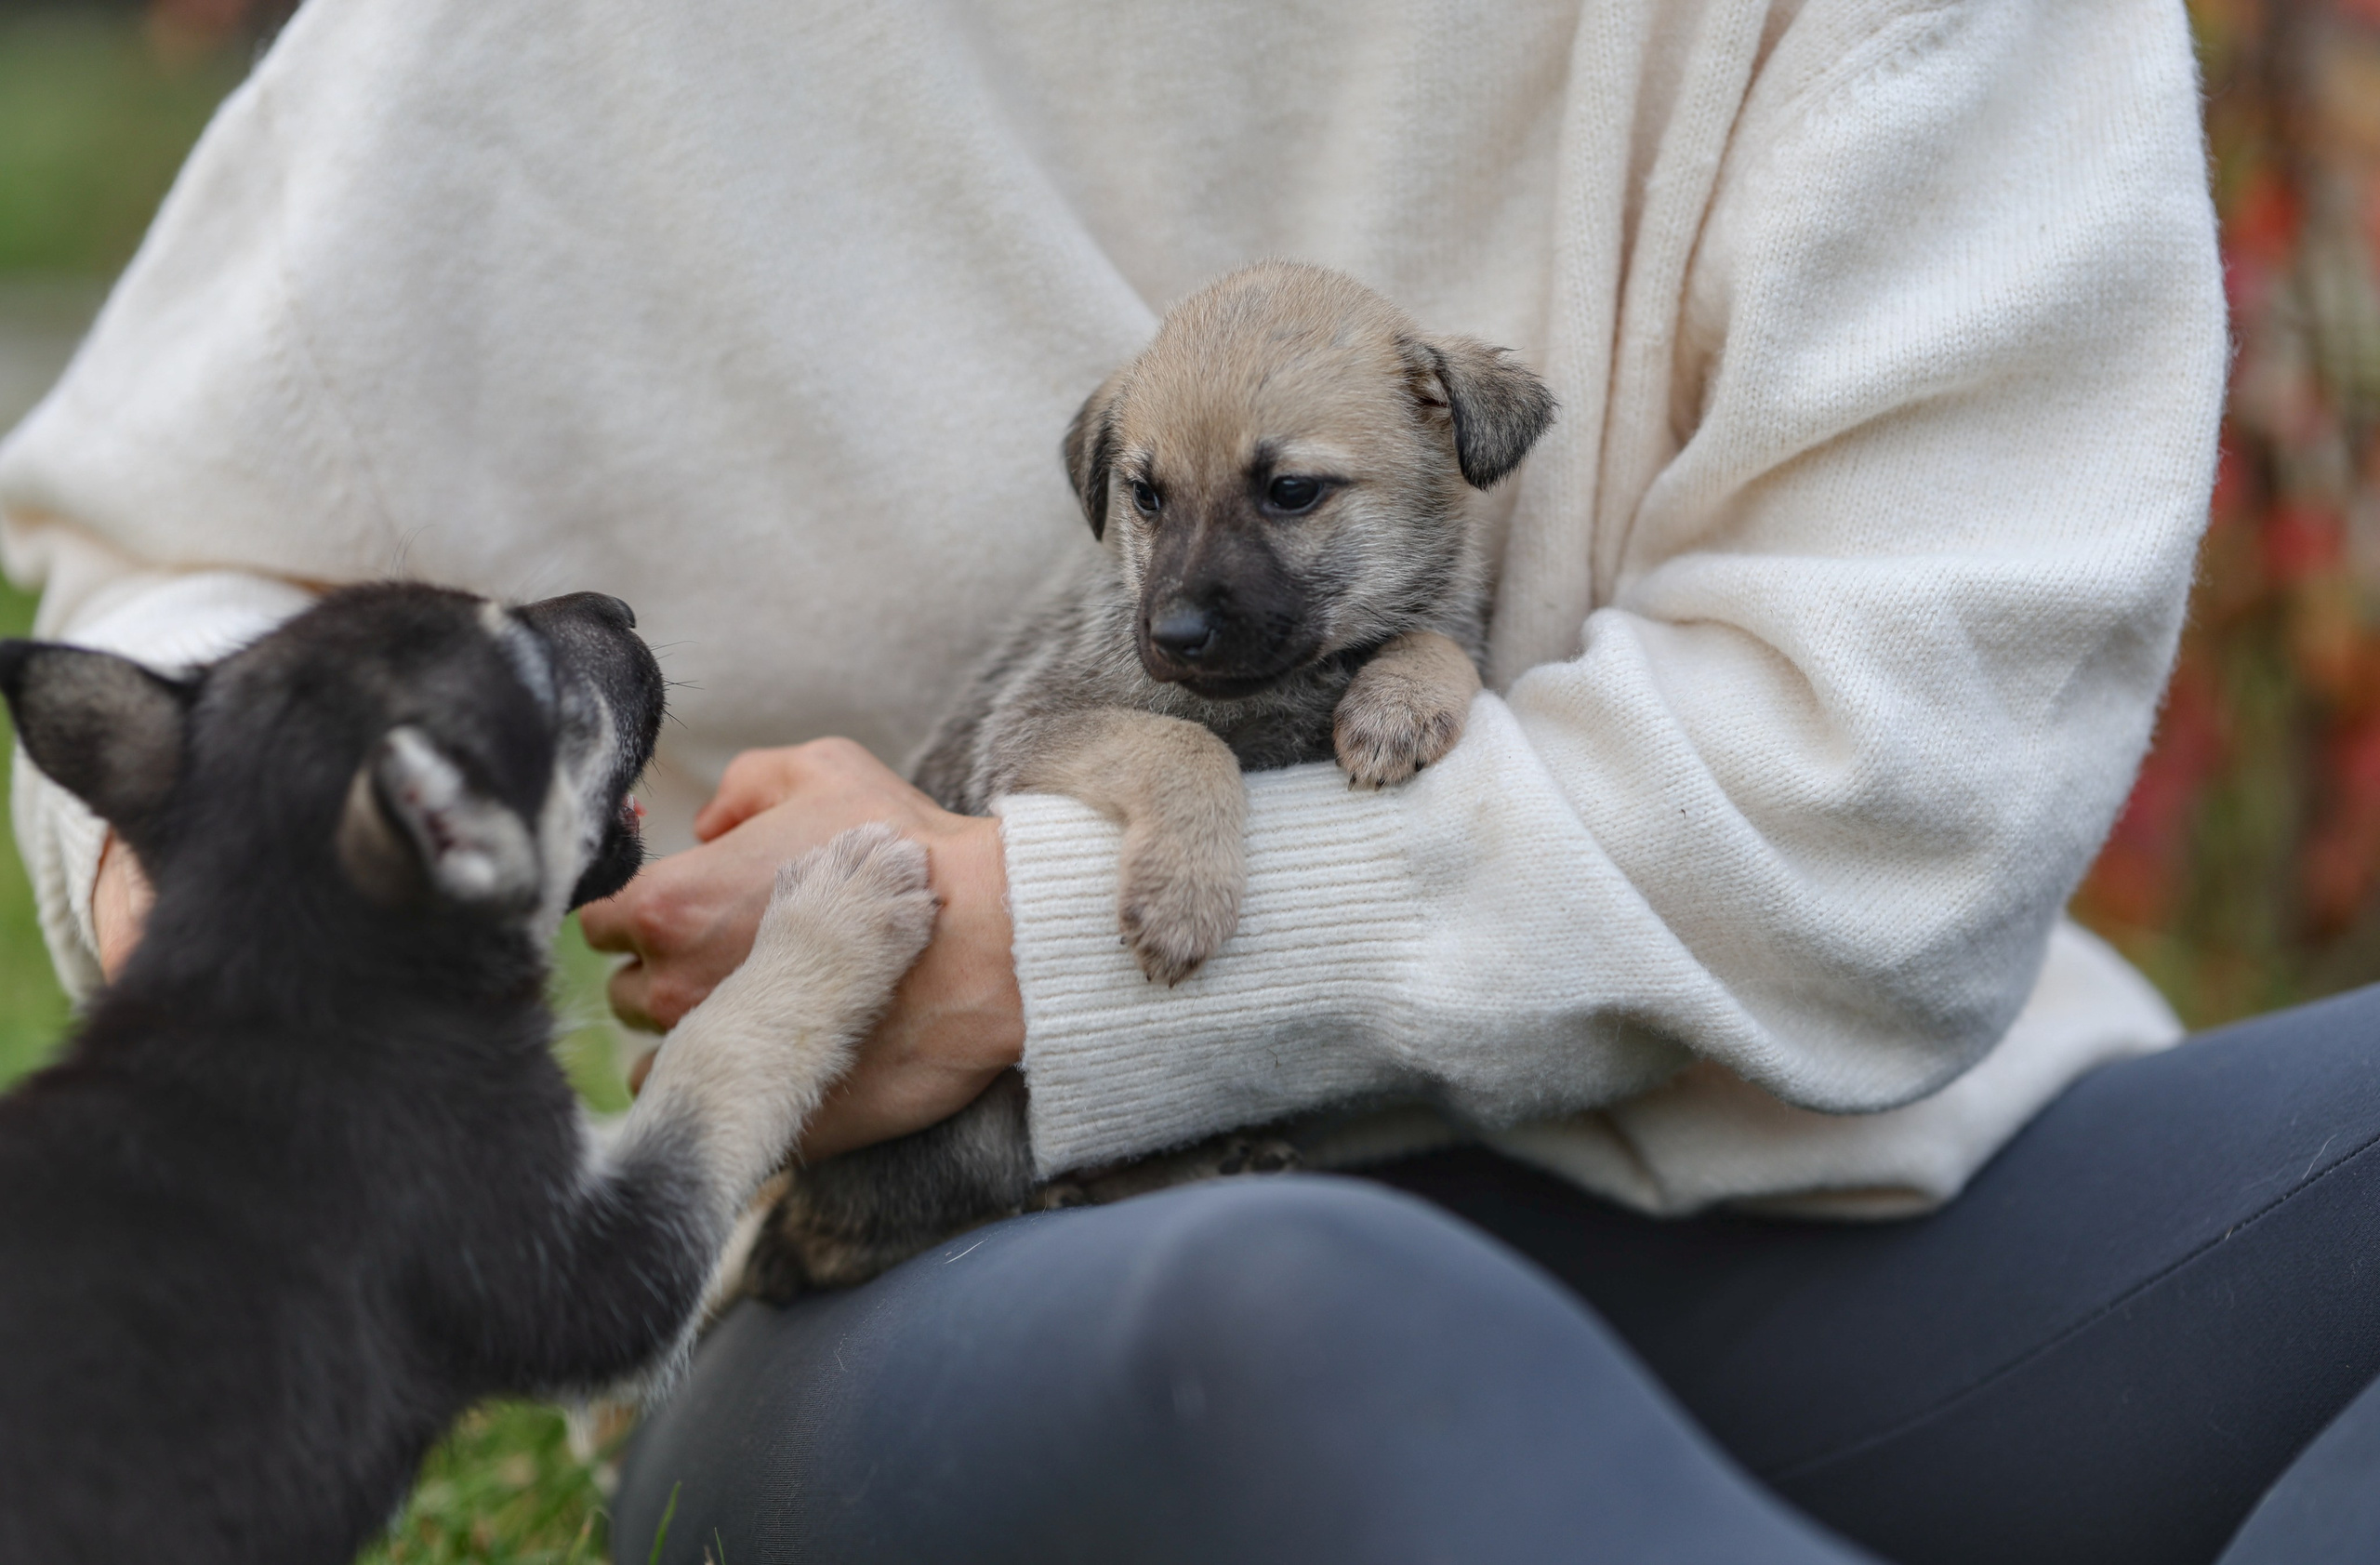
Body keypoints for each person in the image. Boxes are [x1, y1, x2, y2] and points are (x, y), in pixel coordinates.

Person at [10, 1, 2362, 1561]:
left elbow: (1904, 771)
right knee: (1289, 1318)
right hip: (972, 1273)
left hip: (1816, 1188)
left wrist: (1037, 951)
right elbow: (187, 558)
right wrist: (267, 914)